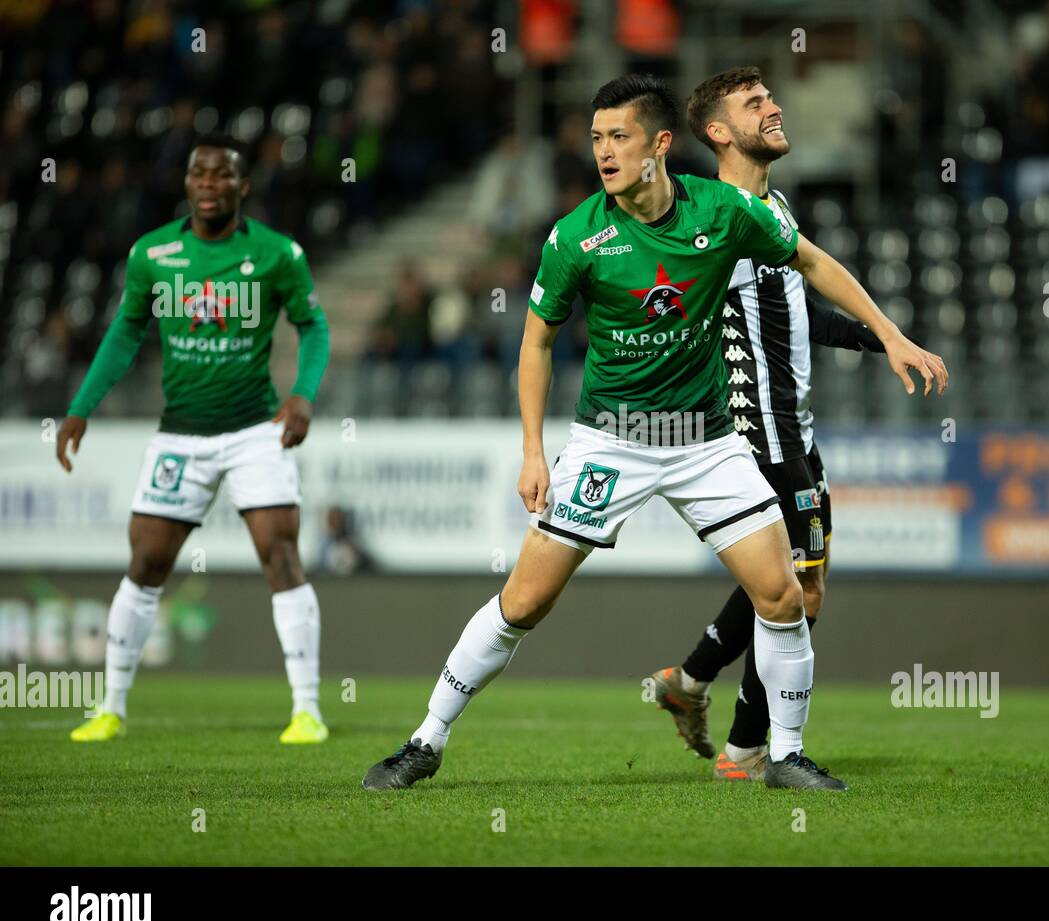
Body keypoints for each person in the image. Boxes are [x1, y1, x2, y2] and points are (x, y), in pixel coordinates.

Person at [361, 74, 946, 792]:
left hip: (707, 443)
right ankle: (425, 740)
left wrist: (890, 336)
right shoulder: (578, 235)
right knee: (524, 602)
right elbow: (536, 343)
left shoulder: (724, 211)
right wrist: (534, 451)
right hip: (613, 441)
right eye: (598, 138)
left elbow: (813, 262)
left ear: (659, 145)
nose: (604, 152)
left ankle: (782, 756)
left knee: (785, 595)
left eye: (620, 137)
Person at [645, 67, 919, 781]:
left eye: (770, 98)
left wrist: (880, 339)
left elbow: (794, 312)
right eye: (754, 104)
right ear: (716, 132)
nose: (773, 109)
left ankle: (693, 682)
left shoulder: (776, 207)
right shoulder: (713, 219)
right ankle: (748, 749)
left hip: (796, 429)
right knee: (797, 589)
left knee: (794, 586)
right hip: (756, 433)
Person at [56, 132, 331, 745]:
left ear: (242, 186)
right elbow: (125, 334)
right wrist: (80, 408)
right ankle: (110, 709)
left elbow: (313, 327)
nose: (209, 185)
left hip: (256, 431)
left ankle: (307, 709)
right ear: (186, 183)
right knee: (147, 562)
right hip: (180, 434)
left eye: (222, 175)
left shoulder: (277, 254)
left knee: (281, 556)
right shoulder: (152, 254)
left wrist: (303, 394)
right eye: (198, 174)